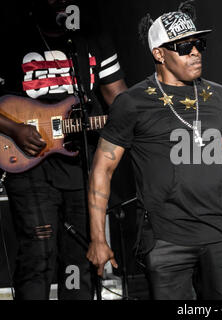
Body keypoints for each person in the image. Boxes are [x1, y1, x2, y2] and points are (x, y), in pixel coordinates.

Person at [87, 2, 222, 300]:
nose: (195, 51)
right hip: (166, 240)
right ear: (159, 53)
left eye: (198, 43)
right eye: (183, 46)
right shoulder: (132, 103)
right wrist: (97, 238)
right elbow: (101, 170)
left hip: (218, 235)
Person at [0, 0, 127, 299]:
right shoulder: (12, 37)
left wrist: (143, 113)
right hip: (30, 163)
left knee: (80, 256)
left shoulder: (92, 37)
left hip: (81, 162)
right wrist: (14, 128)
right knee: (37, 255)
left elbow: (117, 97)